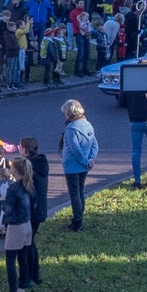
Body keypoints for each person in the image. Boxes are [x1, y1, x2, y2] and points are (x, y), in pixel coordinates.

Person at [0, 157, 34, 292]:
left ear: (15, 170)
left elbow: (8, 209)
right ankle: (21, 291)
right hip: (27, 224)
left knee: (10, 261)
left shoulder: (12, 188)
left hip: (16, 226)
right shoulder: (28, 185)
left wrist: (3, 199)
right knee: (23, 259)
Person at [60, 99, 99, 231]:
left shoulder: (71, 128)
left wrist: (83, 160)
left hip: (72, 166)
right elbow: (94, 144)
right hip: (84, 166)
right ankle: (80, 216)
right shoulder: (87, 124)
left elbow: (75, 149)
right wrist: (90, 159)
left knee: (74, 193)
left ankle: (77, 220)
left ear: (69, 113)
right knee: (80, 191)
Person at [20, 137, 49, 286]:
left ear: (25, 149)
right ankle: (35, 274)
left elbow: (26, 188)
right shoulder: (42, 163)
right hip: (40, 209)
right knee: (30, 242)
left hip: (31, 210)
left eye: (20, 146)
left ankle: (31, 275)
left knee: (28, 244)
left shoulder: (29, 166)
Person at [119, 89, 147, 189]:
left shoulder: (129, 83)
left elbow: (122, 101)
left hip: (135, 119)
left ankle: (137, 180)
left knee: (136, 151)